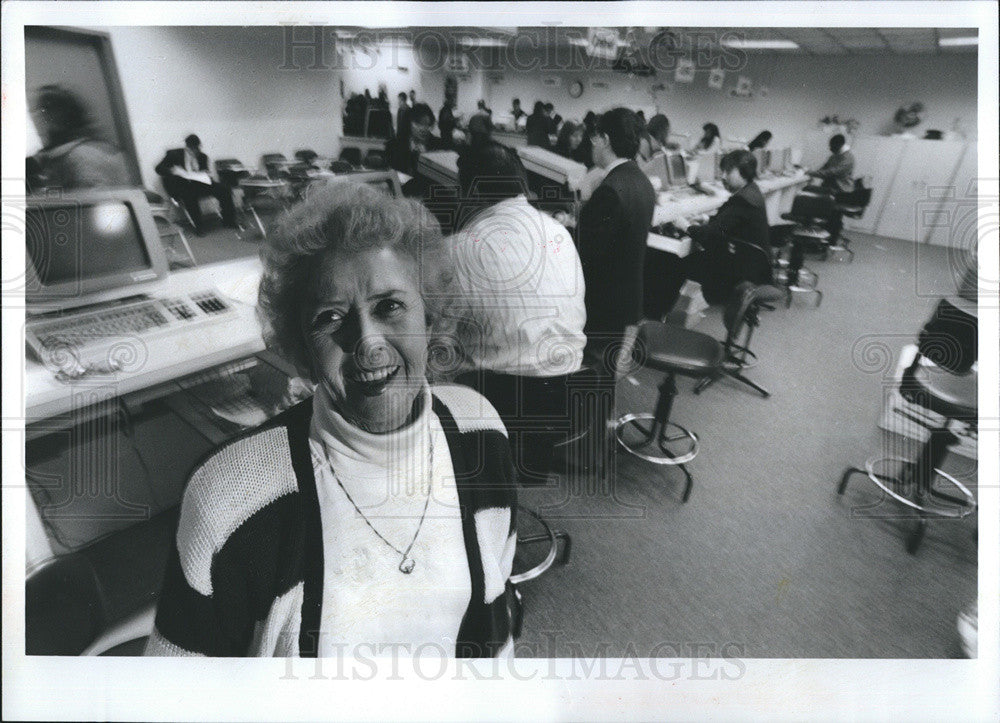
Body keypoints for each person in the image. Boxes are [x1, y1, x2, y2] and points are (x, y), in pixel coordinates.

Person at [145, 182, 519, 658]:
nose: (367, 343)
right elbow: (175, 695)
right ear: (302, 349)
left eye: (390, 306)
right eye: (330, 317)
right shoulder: (230, 497)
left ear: (431, 318)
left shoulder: (480, 433)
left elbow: (495, 626)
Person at [450, 143, 586, 483]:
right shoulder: (558, 232)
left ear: (467, 192)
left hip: (501, 403)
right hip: (569, 393)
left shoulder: (460, 248)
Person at [577, 108, 656, 413]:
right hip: (625, 297)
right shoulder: (641, 181)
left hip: (602, 301)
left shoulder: (610, 190)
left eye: (594, 138)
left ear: (605, 139)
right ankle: (597, 429)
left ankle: (588, 440)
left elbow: (586, 253)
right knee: (605, 372)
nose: (592, 144)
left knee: (594, 371)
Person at [658, 150, 771, 313]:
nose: (723, 176)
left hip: (740, 267)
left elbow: (710, 236)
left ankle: (660, 313)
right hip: (752, 264)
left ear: (744, 172)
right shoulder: (752, 191)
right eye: (722, 171)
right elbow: (728, 223)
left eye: (728, 171)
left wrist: (685, 226)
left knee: (674, 260)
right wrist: (706, 219)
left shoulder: (742, 200)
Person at [28, 84, 131, 192]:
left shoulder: (79, 155)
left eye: (41, 111)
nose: (36, 119)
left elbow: (88, 202)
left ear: (56, 115)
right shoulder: (99, 147)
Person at [154, 134, 237, 233]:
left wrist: (205, 174)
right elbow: (158, 169)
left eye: (197, 148)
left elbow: (204, 171)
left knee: (224, 189)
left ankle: (229, 221)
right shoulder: (174, 154)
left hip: (199, 184)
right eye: (192, 149)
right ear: (187, 147)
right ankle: (199, 226)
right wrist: (173, 171)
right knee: (190, 195)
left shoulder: (202, 156)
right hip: (182, 185)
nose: (195, 151)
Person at [385, 102, 443, 178]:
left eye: (427, 124)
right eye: (418, 124)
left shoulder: (438, 145)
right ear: (409, 123)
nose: (423, 129)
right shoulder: (394, 144)